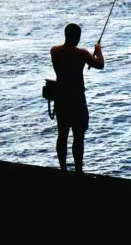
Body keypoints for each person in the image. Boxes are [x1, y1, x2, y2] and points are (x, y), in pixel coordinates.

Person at [50, 23, 104, 174]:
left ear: (65, 35)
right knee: (78, 137)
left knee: (62, 135)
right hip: (77, 99)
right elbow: (100, 65)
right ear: (78, 37)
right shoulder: (82, 54)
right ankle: (78, 171)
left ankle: (63, 169)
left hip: (61, 99)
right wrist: (98, 51)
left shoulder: (54, 51)